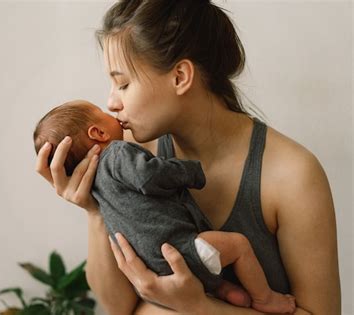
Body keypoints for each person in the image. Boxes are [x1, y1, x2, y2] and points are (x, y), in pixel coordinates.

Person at [35, 0, 341, 314]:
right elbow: (119, 307)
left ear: (181, 76)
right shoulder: (133, 156)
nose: (111, 102)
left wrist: (198, 306)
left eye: (123, 83)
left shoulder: (292, 175)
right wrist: (95, 211)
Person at [33, 100, 296, 313]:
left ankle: (223, 291)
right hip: (181, 252)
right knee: (237, 245)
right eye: (103, 111)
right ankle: (264, 299)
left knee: (211, 274)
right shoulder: (118, 153)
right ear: (98, 133)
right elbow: (149, 176)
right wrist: (191, 172)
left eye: (123, 84)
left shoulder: (99, 189)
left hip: (155, 270)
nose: (112, 103)